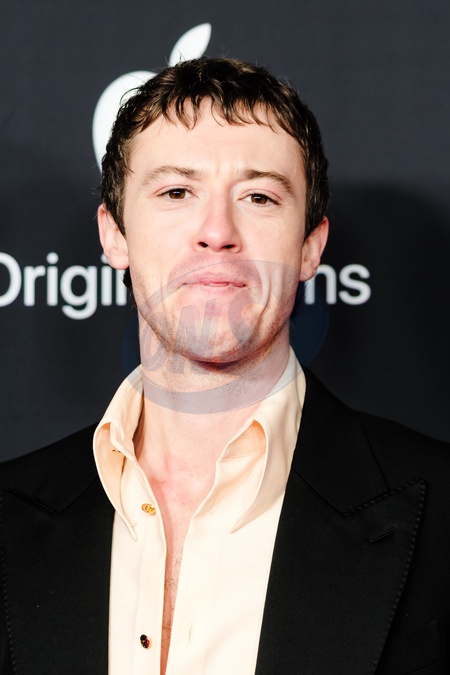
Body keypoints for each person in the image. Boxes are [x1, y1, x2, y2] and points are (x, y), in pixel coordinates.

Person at [1, 57, 449, 675]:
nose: (217, 232)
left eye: (258, 196)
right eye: (176, 192)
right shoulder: (9, 514)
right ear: (114, 235)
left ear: (310, 247)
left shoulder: (439, 513)